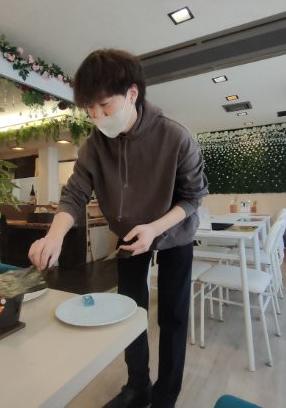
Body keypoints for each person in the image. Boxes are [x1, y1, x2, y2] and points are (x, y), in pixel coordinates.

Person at [28, 49, 208, 408]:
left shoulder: (175, 136)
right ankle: (138, 386)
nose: (96, 116)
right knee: (128, 311)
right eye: (89, 108)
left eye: (104, 105)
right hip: (127, 235)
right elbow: (75, 194)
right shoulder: (94, 147)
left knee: (173, 316)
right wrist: (54, 235)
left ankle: (166, 396)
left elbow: (193, 197)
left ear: (132, 94)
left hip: (174, 233)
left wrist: (154, 228)